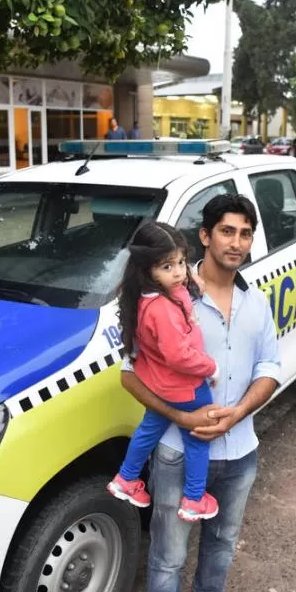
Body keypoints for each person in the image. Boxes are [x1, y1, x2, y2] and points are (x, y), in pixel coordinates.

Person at [120, 194, 281, 592]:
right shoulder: (169, 296)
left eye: (246, 234)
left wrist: (239, 413)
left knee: (221, 551)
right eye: (227, 231)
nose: (237, 243)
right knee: (168, 558)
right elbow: (129, 376)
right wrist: (182, 417)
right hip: (177, 451)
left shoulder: (256, 301)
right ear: (205, 236)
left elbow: (270, 367)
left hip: (240, 452)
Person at [108, 222, 221, 522]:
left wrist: (191, 278)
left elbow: (184, 289)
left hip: (160, 386)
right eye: (167, 266)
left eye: (181, 262)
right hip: (187, 386)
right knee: (197, 437)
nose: (179, 272)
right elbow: (178, 355)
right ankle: (195, 498)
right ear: (147, 269)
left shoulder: (146, 297)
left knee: (149, 428)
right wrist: (211, 366)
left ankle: (126, 478)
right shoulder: (162, 309)